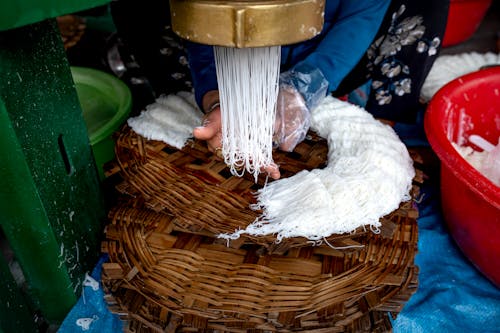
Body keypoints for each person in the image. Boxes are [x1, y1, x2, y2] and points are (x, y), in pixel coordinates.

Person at [186, 0, 450, 179]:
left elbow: (362, 16)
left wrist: (302, 87)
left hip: (329, 42)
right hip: (230, 45)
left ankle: (378, 131)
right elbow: (197, 14)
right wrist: (218, 96)